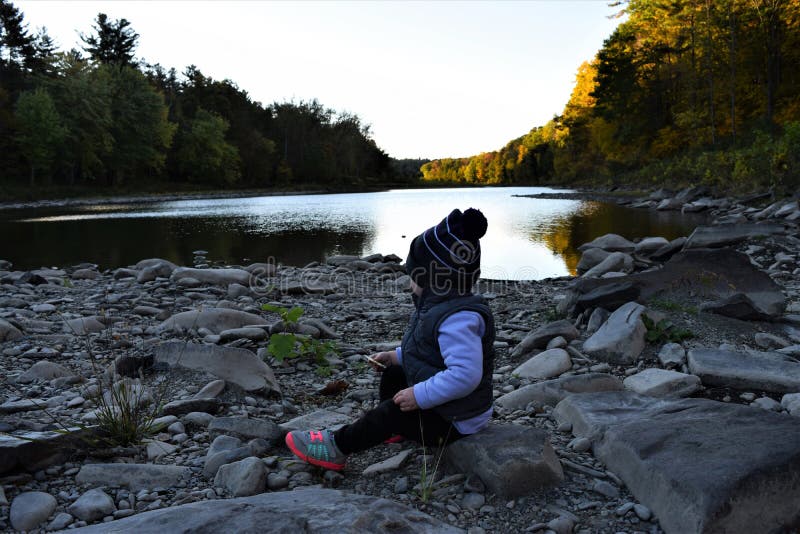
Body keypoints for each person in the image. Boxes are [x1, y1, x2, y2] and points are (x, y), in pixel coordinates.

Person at [285, 207, 495, 471]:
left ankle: (337, 447)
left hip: (457, 421)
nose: (410, 284)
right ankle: (396, 429)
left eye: (414, 276)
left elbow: (466, 376)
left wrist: (419, 395)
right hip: (448, 407)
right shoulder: (437, 307)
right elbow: (429, 350)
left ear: (432, 277)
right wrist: (396, 356)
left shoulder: (458, 319)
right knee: (394, 373)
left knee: (392, 411)